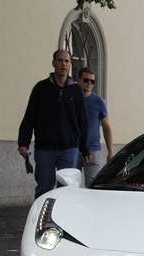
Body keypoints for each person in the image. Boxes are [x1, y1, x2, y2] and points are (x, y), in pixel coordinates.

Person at [18, 49, 91, 199]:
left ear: (70, 65)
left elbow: (82, 121)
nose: (63, 64)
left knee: (66, 190)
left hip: (69, 148)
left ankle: (63, 221)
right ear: (53, 63)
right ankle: (42, 219)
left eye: (66, 61)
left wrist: (85, 148)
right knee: (44, 188)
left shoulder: (76, 91)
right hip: (45, 148)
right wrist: (23, 142)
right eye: (60, 60)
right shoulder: (41, 88)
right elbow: (29, 116)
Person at [76, 67, 114, 185]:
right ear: (78, 80)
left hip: (93, 149)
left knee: (92, 186)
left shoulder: (98, 101)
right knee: (71, 187)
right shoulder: (72, 99)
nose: (89, 83)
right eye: (86, 80)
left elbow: (106, 126)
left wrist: (110, 151)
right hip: (73, 148)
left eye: (92, 81)